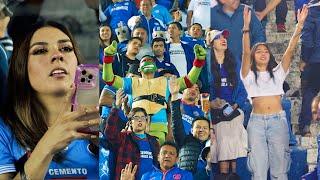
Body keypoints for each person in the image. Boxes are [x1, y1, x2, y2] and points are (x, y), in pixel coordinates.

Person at [0, 20, 99, 179]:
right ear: (21, 67)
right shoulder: (4, 131)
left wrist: (110, 149)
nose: (57, 55)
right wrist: (48, 145)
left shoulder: (106, 121)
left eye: (66, 48)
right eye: (40, 51)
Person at [241, 6, 308, 180]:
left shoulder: (278, 73)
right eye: (259, 51)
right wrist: (246, 29)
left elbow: (290, 49)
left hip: (278, 121)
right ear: (253, 56)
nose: (263, 53)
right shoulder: (247, 75)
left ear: (270, 56)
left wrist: (299, 25)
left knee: (280, 170)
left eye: (266, 51)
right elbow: (245, 52)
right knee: (259, 171)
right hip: (256, 123)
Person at [103, 40, 207, 144]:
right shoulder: (131, 82)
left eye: (150, 60)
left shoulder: (166, 82)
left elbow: (189, 81)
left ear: (156, 68)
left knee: (156, 158)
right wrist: (107, 58)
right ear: (139, 69)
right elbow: (109, 79)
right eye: (144, 60)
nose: (148, 61)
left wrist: (199, 61)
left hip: (159, 127)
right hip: (136, 127)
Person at [206, 29, 248, 177]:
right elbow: (202, 89)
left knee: (233, 125)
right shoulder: (207, 64)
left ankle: (229, 175)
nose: (223, 39)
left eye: (224, 37)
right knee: (224, 133)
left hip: (233, 109)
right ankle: (228, 174)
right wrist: (211, 103)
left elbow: (242, 89)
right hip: (215, 112)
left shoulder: (233, 61)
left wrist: (235, 105)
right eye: (218, 37)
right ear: (211, 44)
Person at [169, 76, 210, 179]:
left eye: (197, 89)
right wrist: (174, 95)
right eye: (190, 87)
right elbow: (175, 123)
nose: (194, 90)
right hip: (180, 150)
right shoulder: (174, 105)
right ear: (183, 89)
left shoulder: (201, 111)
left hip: (200, 160)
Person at [298, 0, 320, 136]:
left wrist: (304, 59)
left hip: (315, 60)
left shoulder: (311, 11)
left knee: (310, 91)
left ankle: (305, 126)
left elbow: (307, 39)